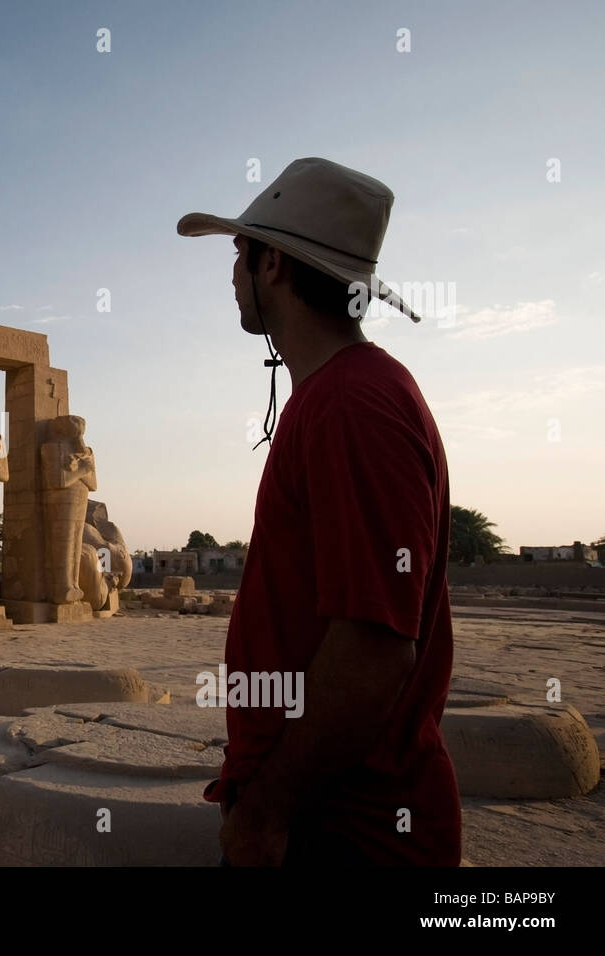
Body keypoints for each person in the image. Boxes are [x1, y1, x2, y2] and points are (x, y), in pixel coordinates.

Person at [176, 157, 461, 866]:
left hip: (347, 829)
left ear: (274, 265)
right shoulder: (339, 395)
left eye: (241, 252)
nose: (232, 271)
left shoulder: (351, 404)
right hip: (326, 813)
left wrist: (267, 810)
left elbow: (372, 648)